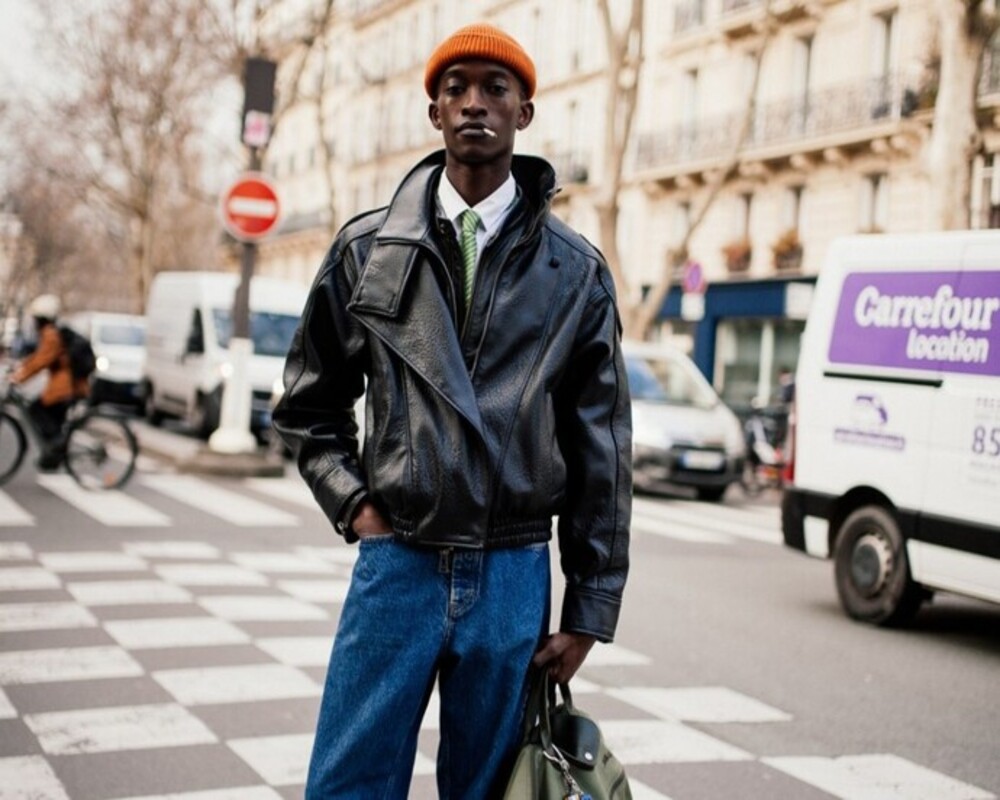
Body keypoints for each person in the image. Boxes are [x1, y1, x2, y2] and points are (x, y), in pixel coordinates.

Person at [273, 22, 633, 800]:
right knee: (349, 785)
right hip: (396, 562)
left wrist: (589, 606)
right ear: (433, 112)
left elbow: (602, 447)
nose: (475, 103)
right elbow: (307, 407)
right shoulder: (368, 250)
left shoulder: (575, 275)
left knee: (490, 791)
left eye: (495, 89)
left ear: (524, 113)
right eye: (456, 88)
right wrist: (357, 505)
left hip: (511, 573)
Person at [10, 294, 90, 469]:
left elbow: (42, 360)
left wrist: (19, 377)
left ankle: (55, 448)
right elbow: (37, 357)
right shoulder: (54, 332)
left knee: (35, 409)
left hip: (64, 389)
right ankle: (52, 458)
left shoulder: (51, 334)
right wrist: (21, 366)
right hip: (68, 387)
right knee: (53, 421)